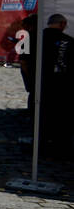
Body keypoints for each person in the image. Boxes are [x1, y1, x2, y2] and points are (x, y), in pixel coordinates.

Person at [40, 14, 74, 148]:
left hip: (43, 82)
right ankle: (60, 141)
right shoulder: (69, 40)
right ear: (62, 24)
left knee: (45, 112)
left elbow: (25, 60)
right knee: (62, 114)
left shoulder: (37, 38)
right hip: (64, 84)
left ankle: (45, 138)